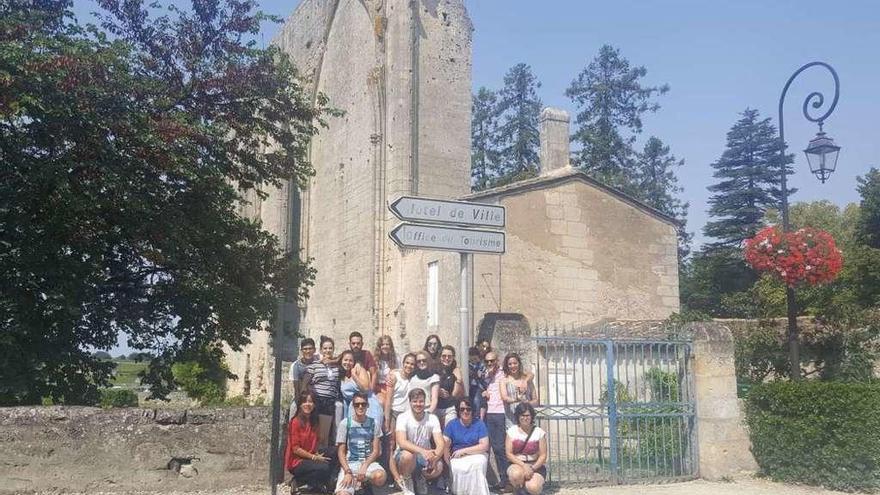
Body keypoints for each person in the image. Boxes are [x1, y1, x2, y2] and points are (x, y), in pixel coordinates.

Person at [393, 388, 445, 495]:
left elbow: (440, 443)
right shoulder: (402, 417)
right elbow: (401, 442)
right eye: (415, 401)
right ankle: (407, 479)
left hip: (424, 457)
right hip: (405, 455)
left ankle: (420, 477)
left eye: (421, 401)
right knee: (408, 456)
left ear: (425, 402)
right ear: (410, 402)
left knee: (439, 466)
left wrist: (435, 458)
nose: (418, 404)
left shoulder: (432, 418)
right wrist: (422, 451)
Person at [285, 390, 338, 494]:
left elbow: (316, 441)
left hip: (311, 455)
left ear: (314, 404)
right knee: (324, 467)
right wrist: (314, 457)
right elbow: (296, 449)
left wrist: (316, 453)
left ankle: (319, 483)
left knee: (335, 452)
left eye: (310, 402)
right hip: (297, 461)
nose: (307, 404)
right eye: (304, 402)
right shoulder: (295, 422)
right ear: (300, 405)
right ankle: (299, 480)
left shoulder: (314, 420)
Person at [335, 392, 386, 495]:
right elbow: (341, 452)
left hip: (368, 463)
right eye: (357, 404)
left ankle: (364, 482)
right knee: (343, 494)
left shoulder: (374, 423)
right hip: (350, 464)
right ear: (353, 406)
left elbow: (376, 450)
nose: (360, 406)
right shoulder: (345, 424)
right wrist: (347, 471)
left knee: (380, 477)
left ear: (367, 405)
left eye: (363, 404)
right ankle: (356, 484)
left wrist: (365, 465)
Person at [443, 397, 490, 495]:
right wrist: (448, 461)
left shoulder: (479, 424)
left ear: (472, 410)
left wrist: (464, 451)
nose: (465, 411)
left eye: (468, 409)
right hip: (457, 456)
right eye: (462, 409)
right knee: (457, 467)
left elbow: (484, 446)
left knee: (478, 464)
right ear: (458, 410)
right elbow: (445, 443)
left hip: (477, 454)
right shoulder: (452, 424)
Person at [384, 353, 417, 486]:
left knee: (404, 446)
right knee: (391, 445)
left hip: (407, 416)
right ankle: (394, 476)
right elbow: (388, 399)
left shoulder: (414, 378)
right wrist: (387, 419)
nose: (409, 366)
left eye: (412, 364)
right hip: (394, 414)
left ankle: (404, 475)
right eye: (407, 363)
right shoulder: (395, 376)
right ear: (403, 363)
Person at [304, 336, 341, 446]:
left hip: (329, 400)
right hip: (316, 400)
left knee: (324, 432)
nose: (327, 350)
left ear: (333, 349)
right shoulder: (314, 365)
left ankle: (321, 457)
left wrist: (333, 361)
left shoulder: (336, 366)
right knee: (313, 429)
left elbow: (344, 355)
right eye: (325, 348)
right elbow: (305, 382)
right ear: (320, 350)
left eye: (330, 348)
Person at [482, 351, 510, 492]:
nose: (489, 363)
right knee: (491, 448)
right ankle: (502, 480)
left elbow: (527, 374)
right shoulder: (487, 375)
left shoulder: (504, 372)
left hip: (500, 414)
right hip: (489, 413)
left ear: (497, 360)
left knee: (500, 448)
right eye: (487, 361)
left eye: (492, 360)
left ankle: (507, 481)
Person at [504, 403, 547, 495]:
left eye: (527, 415)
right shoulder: (512, 431)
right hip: (517, 463)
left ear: (532, 416)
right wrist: (523, 465)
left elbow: (543, 455)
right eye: (522, 415)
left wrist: (532, 468)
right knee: (516, 475)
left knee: (533, 487)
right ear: (518, 416)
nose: (525, 418)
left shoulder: (539, 432)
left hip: (535, 465)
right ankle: (518, 490)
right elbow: (509, 453)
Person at [338, 350, 383, 423]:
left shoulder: (359, 370)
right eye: (345, 360)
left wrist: (355, 376)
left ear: (354, 362)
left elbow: (365, 388)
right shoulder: (340, 375)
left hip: (367, 404)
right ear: (341, 361)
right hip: (352, 407)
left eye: (350, 361)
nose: (348, 363)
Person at [499, 353, 538, 427]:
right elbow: (504, 398)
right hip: (512, 420)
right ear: (507, 366)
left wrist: (527, 403)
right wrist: (516, 399)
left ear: (519, 364)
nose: (513, 366)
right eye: (510, 364)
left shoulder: (527, 380)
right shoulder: (504, 381)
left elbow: (535, 400)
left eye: (515, 363)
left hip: (528, 419)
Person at [436, 345, 464, 427]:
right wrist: (438, 391)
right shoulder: (434, 370)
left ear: (453, 357)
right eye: (444, 356)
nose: (447, 358)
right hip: (436, 407)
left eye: (449, 356)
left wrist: (458, 379)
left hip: (449, 407)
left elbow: (456, 394)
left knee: (449, 433)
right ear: (440, 357)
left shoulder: (455, 371)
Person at [290, 338, 318, 418]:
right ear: (301, 351)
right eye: (305, 349)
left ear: (314, 350)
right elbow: (297, 388)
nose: (308, 351)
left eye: (310, 349)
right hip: (303, 395)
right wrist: (300, 404)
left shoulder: (319, 361)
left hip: (317, 396)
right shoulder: (296, 366)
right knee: (293, 408)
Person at [409, 350, 439, 415]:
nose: (421, 362)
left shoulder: (434, 377)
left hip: (427, 410)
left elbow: (434, 398)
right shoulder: (413, 376)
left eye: (424, 360)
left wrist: (429, 413)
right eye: (419, 361)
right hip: (412, 411)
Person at [374, 335, 399, 400]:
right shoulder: (375, 360)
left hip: (392, 387)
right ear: (379, 347)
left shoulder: (396, 359)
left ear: (390, 346)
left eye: (387, 344)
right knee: (382, 401)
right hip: (379, 388)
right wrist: (384, 391)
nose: (385, 346)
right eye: (382, 344)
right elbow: (373, 381)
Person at [467, 347, 486, 419]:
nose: (473, 361)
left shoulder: (481, 365)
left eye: (475, 359)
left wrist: (481, 374)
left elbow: (483, 375)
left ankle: (477, 417)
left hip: (479, 387)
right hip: (469, 386)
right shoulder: (467, 365)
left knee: (477, 401)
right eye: (471, 360)